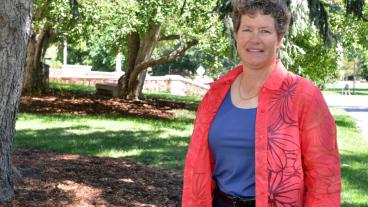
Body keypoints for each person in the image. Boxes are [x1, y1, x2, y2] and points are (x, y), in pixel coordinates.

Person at [182, 0, 341, 206]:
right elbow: (197, 167)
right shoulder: (215, 95)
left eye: (265, 31)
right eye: (247, 29)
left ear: (279, 39)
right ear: (237, 35)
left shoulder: (304, 96)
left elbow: (324, 177)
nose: (254, 39)